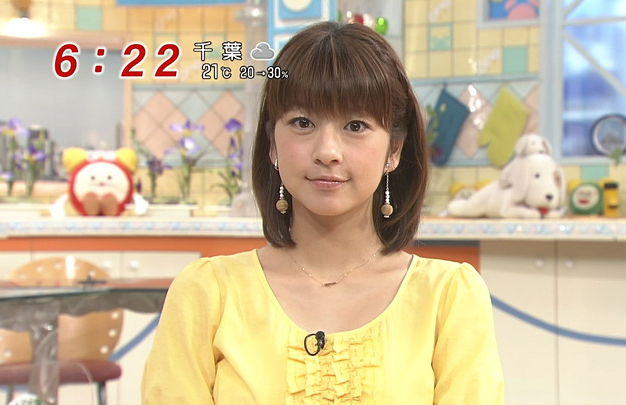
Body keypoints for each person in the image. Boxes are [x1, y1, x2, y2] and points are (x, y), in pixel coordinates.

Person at [141, 20, 504, 404]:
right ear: (272, 144)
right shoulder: (207, 292)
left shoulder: (448, 297)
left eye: (355, 125)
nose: (327, 151)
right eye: (303, 122)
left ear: (394, 150)